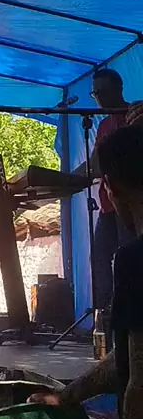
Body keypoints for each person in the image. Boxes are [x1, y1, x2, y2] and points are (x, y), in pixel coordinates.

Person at [32, 124, 143, 419]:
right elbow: (127, 358)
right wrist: (69, 395)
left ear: (110, 189)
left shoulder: (134, 260)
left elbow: (139, 385)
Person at [76, 69, 136, 310]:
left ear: (118, 89)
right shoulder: (103, 125)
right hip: (108, 206)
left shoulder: (134, 117)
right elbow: (94, 163)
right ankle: (105, 314)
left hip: (130, 205)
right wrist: (65, 180)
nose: (98, 98)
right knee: (99, 259)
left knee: (128, 260)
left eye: (103, 91)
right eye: (95, 93)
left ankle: (129, 313)